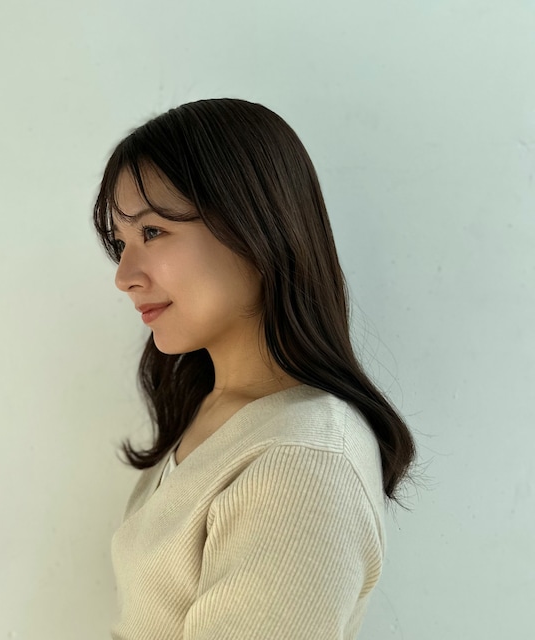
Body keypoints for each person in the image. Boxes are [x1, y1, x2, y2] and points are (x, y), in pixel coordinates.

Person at [93, 98, 415, 639]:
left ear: (255, 227)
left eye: (152, 232)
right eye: (121, 243)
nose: (124, 276)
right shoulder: (213, 410)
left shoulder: (303, 462)